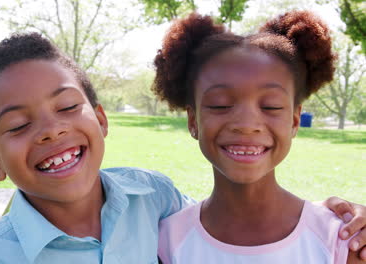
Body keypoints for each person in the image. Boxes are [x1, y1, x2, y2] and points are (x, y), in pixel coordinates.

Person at [0, 32, 365, 263]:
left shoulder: (153, 199)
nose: (51, 132)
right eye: (18, 125)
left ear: (101, 120)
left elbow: (234, 221)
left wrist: (332, 218)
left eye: (68, 107)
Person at [155, 11, 365, 263]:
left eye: (271, 106)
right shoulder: (165, 241)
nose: (246, 124)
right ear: (193, 121)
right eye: (220, 105)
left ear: (295, 121)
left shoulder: (341, 240)